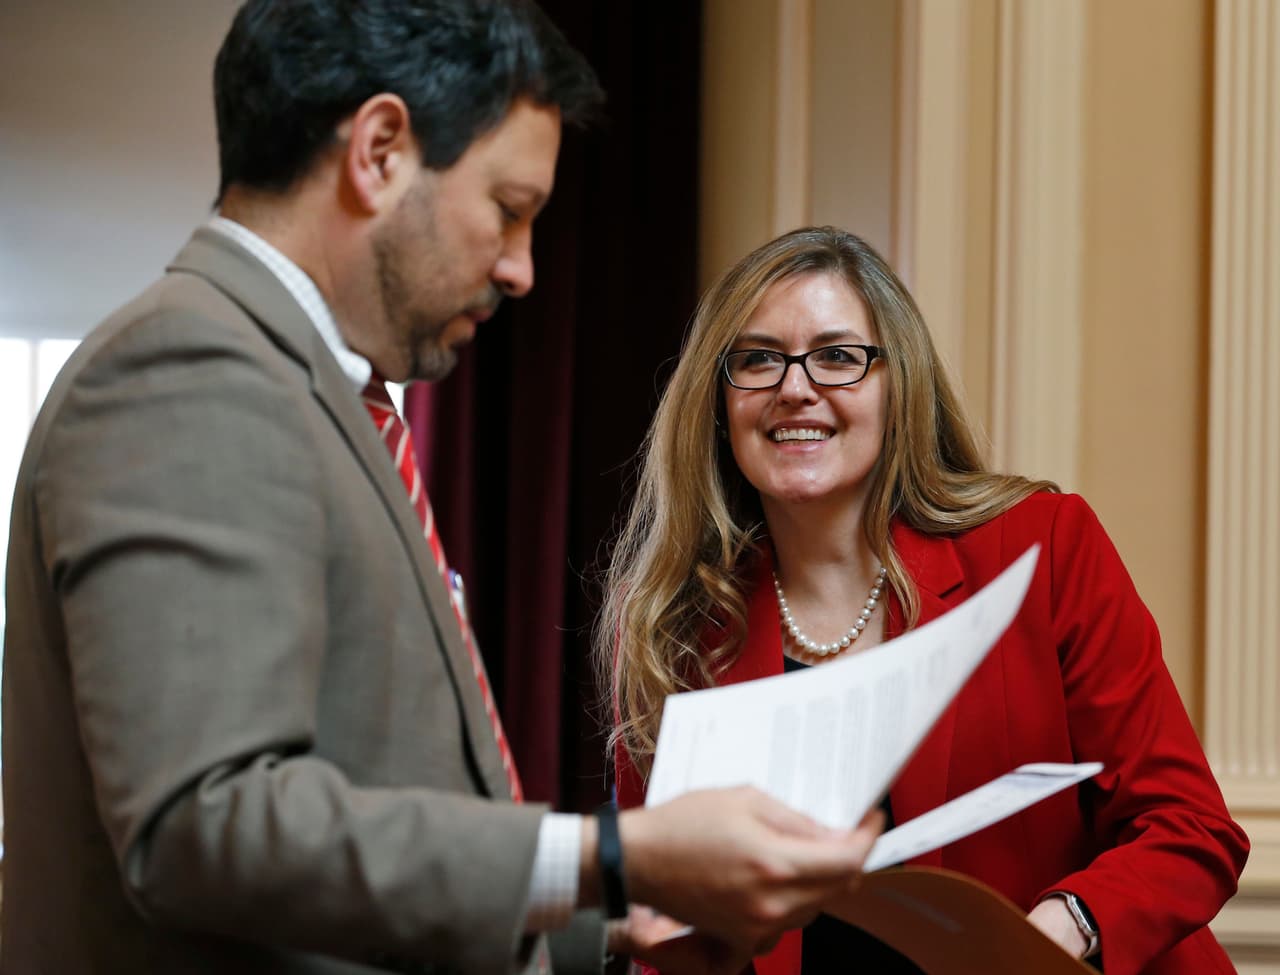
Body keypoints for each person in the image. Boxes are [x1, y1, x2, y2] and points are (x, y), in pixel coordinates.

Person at [0, 7, 884, 973]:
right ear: (378, 151)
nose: (522, 268)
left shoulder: (313, 394)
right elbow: (203, 825)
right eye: (507, 207)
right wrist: (615, 859)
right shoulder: (189, 366)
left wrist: (611, 937)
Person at [601, 226, 1250, 975]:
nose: (795, 386)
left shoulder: (1042, 549)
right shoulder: (668, 626)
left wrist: (1058, 932)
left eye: (839, 356)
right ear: (719, 402)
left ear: (898, 384)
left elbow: (1191, 827)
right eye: (757, 359)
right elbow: (666, 933)